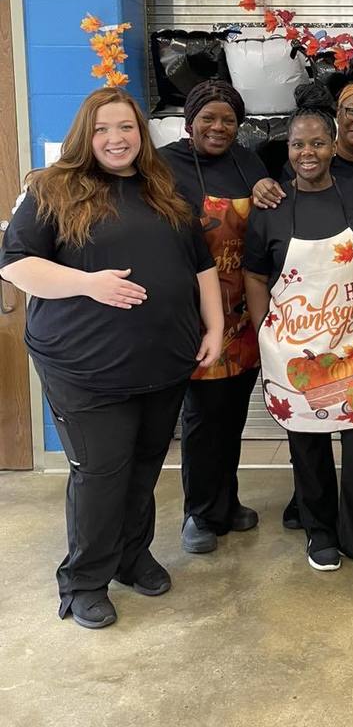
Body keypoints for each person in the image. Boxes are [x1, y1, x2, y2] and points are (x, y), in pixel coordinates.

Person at [0, 87, 223, 630]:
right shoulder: (51, 189)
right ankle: (82, 582)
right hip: (86, 366)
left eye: (125, 127)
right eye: (103, 129)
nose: (115, 139)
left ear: (140, 135)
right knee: (101, 472)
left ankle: (130, 556)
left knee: (145, 467)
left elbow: (200, 264)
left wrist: (214, 324)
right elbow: (15, 265)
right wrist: (88, 284)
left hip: (163, 360)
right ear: (85, 135)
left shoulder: (162, 189)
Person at [243, 85, 353, 573]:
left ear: (333, 147)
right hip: (296, 348)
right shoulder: (269, 210)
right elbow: (252, 272)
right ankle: (320, 533)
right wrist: (262, 327)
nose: (306, 153)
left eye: (316, 144)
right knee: (306, 441)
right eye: (297, 145)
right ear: (287, 151)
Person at [159, 80, 276, 555]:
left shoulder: (249, 162)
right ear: (190, 121)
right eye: (208, 117)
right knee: (203, 417)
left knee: (232, 413)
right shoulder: (164, 165)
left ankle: (227, 502)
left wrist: (269, 187)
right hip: (197, 311)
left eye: (228, 119)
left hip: (244, 309)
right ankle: (200, 514)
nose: (218, 127)